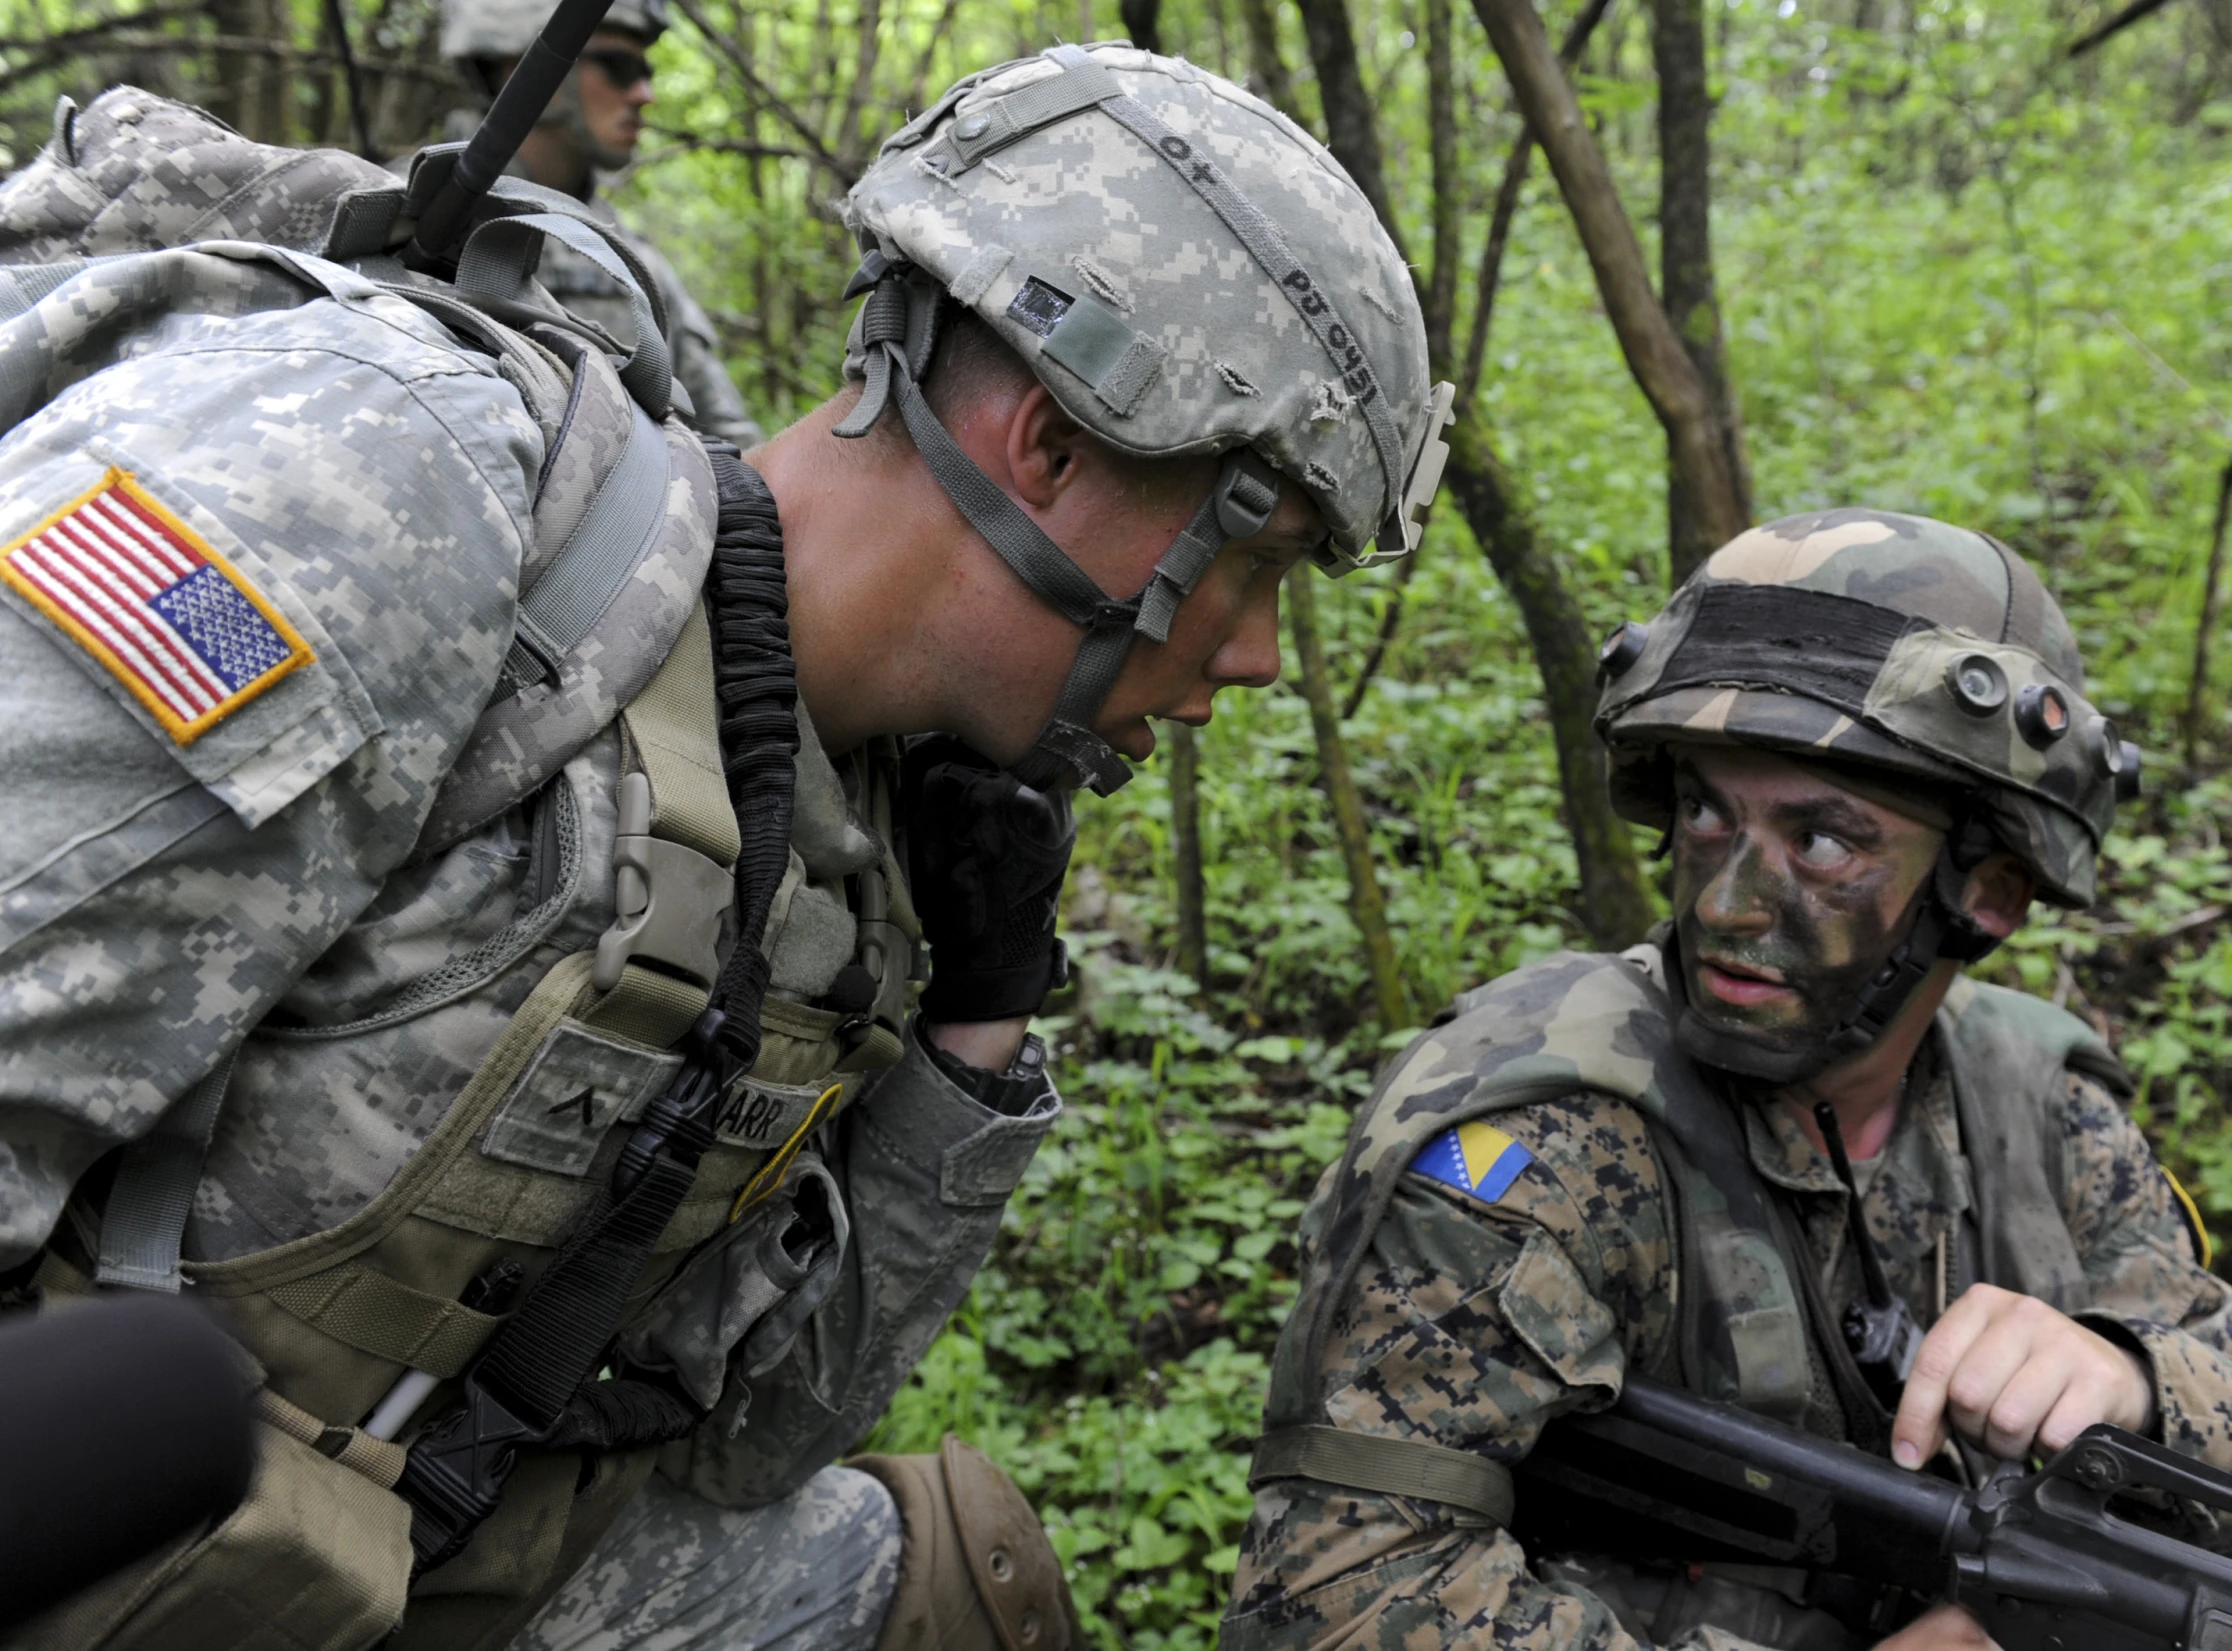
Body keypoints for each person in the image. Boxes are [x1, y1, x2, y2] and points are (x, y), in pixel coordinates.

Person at [0, 39, 1450, 1651]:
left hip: (359, 1543)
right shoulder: (400, 490)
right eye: (1258, 556)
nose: (1251, 657)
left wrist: (973, 1031)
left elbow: (749, 1441)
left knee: (955, 1583)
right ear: (1052, 446)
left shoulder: (856, 850)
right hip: (94, 1530)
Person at [1226, 510, 2226, 1651]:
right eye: (1706, 811)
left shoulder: (2041, 1110)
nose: (1725, 906)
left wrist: (2137, 1380)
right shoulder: (1549, 1134)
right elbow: (1331, 1602)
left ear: (1988, 890)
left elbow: (2206, 1360)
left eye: (1825, 843)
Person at [439, 0, 766, 450]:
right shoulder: (395, 219)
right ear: (532, 72)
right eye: (619, 67)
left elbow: (730, 438)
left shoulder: (627, 257)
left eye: (645, 70)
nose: (644, 93)